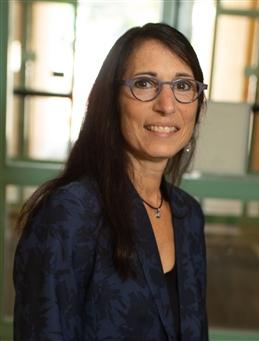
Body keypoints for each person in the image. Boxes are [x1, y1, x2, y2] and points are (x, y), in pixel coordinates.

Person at [13, 23, 208, 341]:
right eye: (145, 83)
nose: (167, 105)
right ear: (110, 100)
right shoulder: (70, 214)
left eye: (184, 86)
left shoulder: (188, 215)